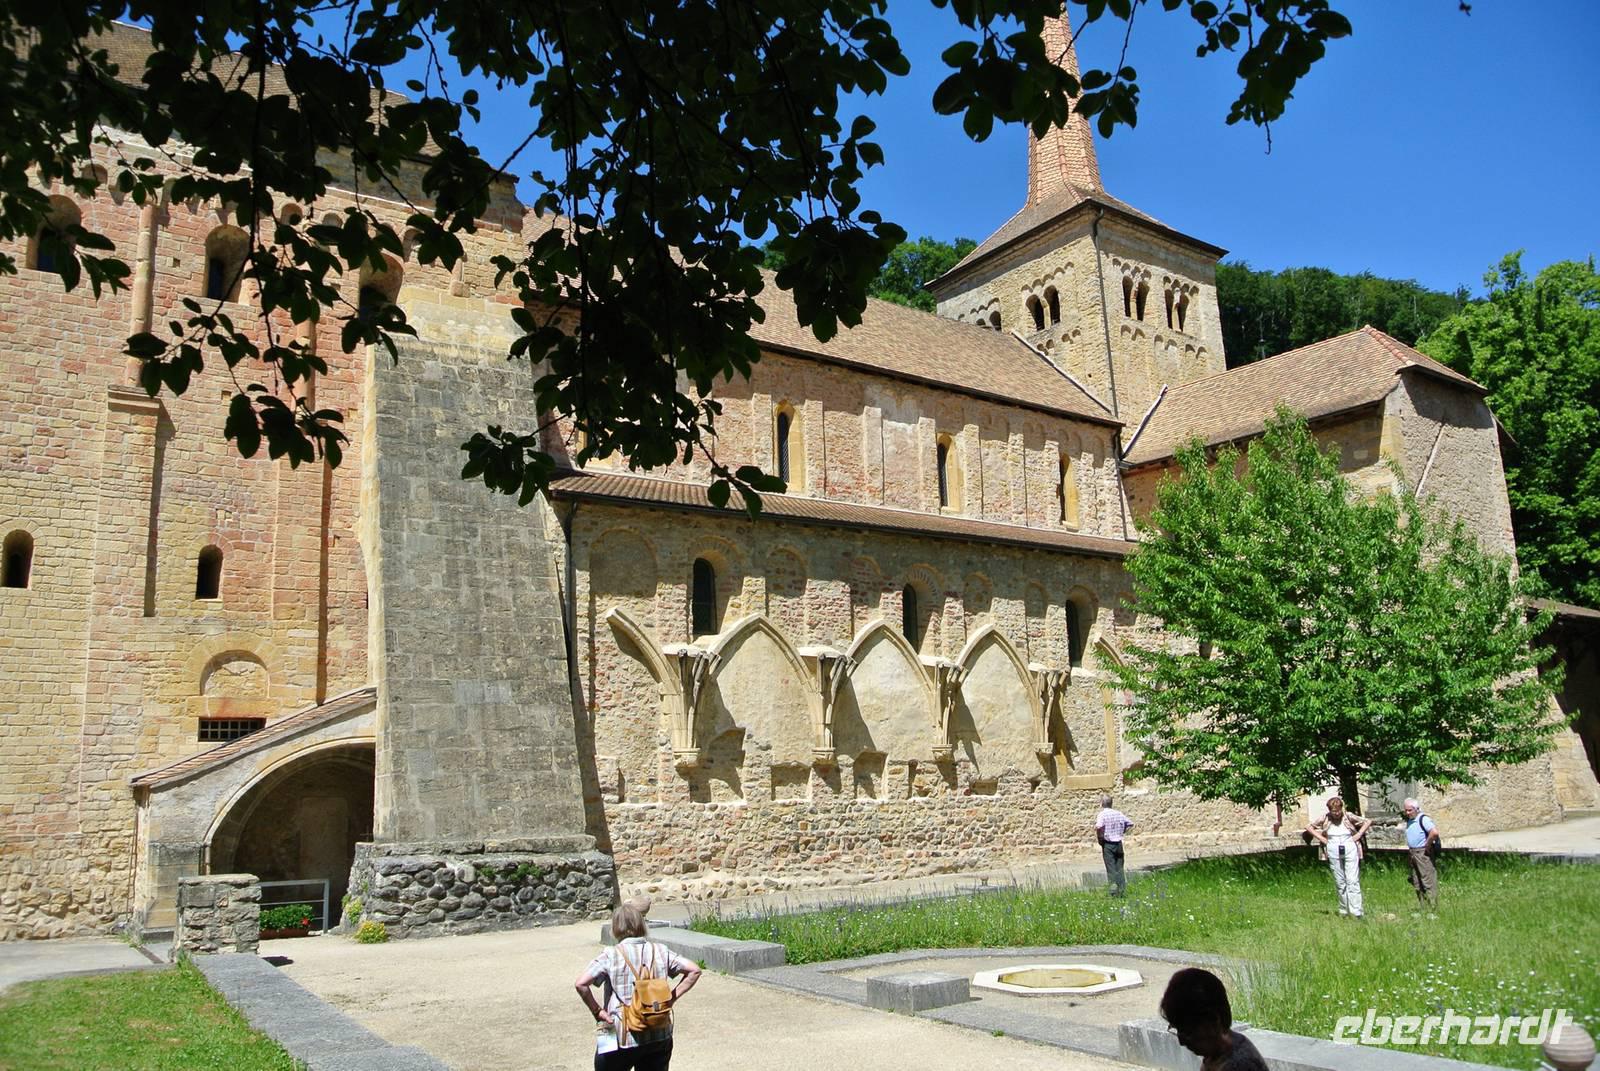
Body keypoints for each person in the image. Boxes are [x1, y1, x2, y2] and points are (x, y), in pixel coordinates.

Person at [575, 902, 702, 1071]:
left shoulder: (611, 954)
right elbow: (694, 970)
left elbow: (581, 984)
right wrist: (671, 999)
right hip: (659, 1030)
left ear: (615, 927)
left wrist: (598, 1012)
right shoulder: (661, 951)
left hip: (622, 1034)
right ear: (641, 924)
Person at [1159, 967, 1269, 1071]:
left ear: (1214, 1020)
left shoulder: (1239, 1065)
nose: (1181, 1041)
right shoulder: (1216, 1054)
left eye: (1188, 1032)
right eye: (1177, 1029)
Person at [1306, 795, 1371, 918]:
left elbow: (1367, 822)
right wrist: (1322, 839)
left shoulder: (1348, 816)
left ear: (1342, 808)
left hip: (1348, 844)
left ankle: (1357, 911)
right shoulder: (1325, 818)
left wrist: (1358, 835)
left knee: (1352, 880)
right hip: (1333, 846)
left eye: (1338, 811)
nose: (1336, 814)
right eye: (1333, 811)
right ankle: (1344, 910)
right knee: (1340, 881)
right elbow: (1309, 827)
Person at [1400, 797, 1441, 911]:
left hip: (1422, 853)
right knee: (1416, 881)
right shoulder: (1410, 820)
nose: (1407, 813)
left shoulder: (1423, 819)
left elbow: (1434, 833)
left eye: (1410, 810)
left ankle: (1433, 909)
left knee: (1427, 880)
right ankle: (1424, 907)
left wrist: (1427, 845)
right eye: (1406, 810)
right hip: (1413, 853)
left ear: (1416, 809)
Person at [1094, 794, 1133, 897]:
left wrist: (1100, 839)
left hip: (1108, 844)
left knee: (1111, 868)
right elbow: (1129, 823)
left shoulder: (1102, 814)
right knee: (1119, 868)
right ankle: (1122, 890)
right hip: (1119, 843)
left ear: (1102, 803)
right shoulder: (1118, 813)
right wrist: (1122, 831)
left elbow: (1099, 827)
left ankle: (1113, 892)